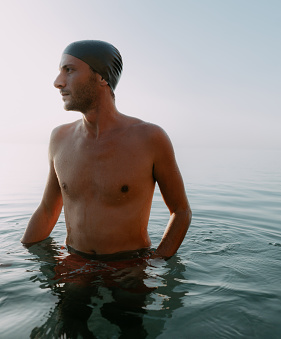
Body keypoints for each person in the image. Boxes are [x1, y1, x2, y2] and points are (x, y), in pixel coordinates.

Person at [21, 40, 191, 260]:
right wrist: (17, 257)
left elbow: (181, 211)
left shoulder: (150, 138)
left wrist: (157, 262)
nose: (58, 82)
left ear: (102, 77)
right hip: (76, 264)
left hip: (129, 269)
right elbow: (47, 210)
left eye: (69, 70)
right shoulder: (59, 138)